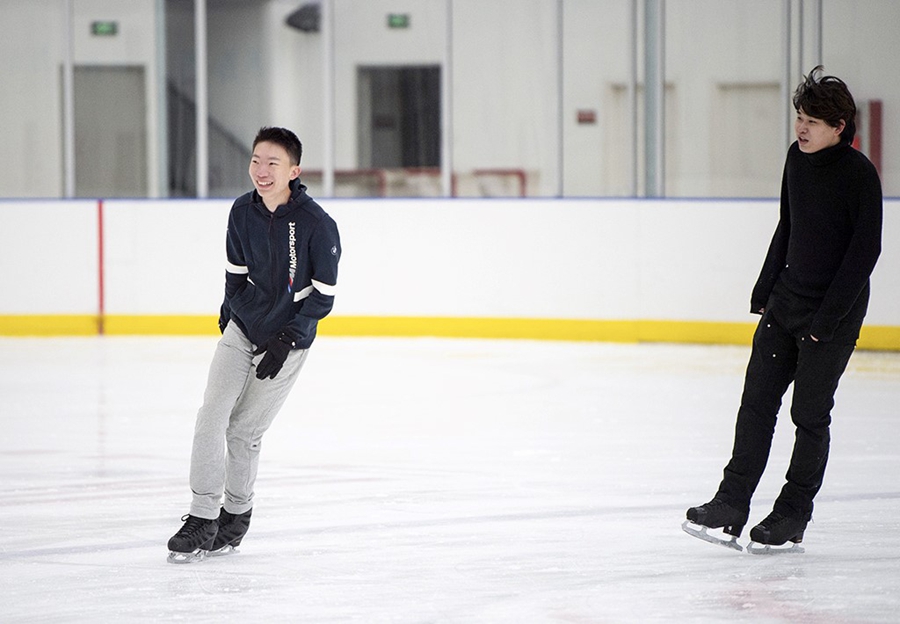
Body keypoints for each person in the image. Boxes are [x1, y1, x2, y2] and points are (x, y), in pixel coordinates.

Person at [685, 67, 882, 550]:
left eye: (813, 120)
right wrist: (765, 289)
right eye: (799, 117)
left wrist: (827, 321)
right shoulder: (796, 160)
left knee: (809, 416)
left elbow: (865, 253)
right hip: (786, 304)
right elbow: (787, 226)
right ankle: (731, 503)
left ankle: (793, 513)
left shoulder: (860, 175)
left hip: (830, 318)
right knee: (755, 405)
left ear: (840, 127)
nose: (802, 128)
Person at [167, 126, 341, 563]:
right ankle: (203, 517)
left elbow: (323, 297)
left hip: (288, 340)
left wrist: (286, 339)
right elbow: (234, 276)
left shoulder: (318, 225)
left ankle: (236, 517)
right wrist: (232, 314)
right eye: (256, 161)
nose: (261, 171)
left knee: (243, 431)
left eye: (273, 163)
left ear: (294, 170)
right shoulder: (241, 212)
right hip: (243, 330)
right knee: (211, 417)